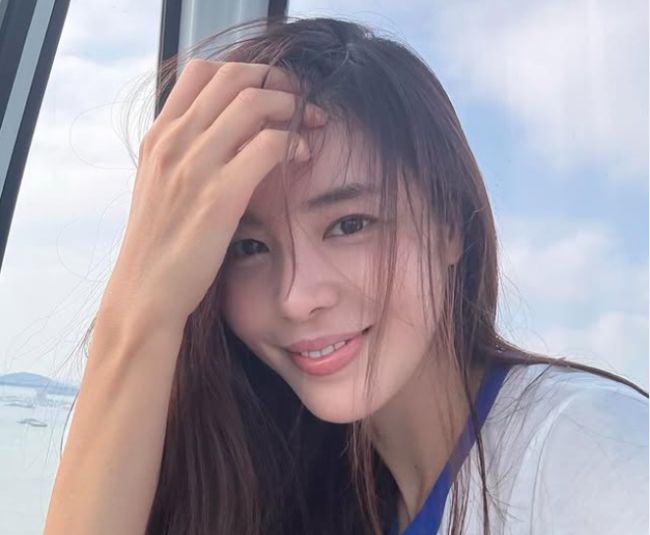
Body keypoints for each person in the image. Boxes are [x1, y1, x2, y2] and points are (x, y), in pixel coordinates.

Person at [44, 16, 648, 535]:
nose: (297, 297)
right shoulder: (290, 474)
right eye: (248, 246)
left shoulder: (590, 455)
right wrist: (142, 311)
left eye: (350, 224)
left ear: (450, 227)